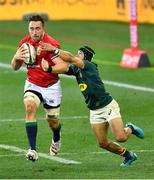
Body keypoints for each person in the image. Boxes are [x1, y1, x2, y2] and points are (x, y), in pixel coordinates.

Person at [41, 45, 145, 167]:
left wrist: (54, 50)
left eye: (79, 53)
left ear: (85, 56)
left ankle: (130, 129)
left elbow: (70, 58)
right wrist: (49, 69)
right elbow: (64, 68)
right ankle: (128, 155)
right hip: (94, 111)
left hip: (107, 106)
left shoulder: (88, 65)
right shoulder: (76, 69)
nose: (76, 54)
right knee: (102, 143)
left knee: (121, 137)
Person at [11, 14, 68, 161]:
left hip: (51, 87)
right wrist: (16, 57)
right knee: (30, 107)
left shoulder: (50, 44)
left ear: (43, 28)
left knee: (53, 121)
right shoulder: (24, 43)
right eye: (31, 28)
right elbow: (15, 67)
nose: (34, 32)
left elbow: (64, 66)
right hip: (33, 84)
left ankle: (56, 137)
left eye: (37, 28)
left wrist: (49, 68)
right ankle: (32, 149)